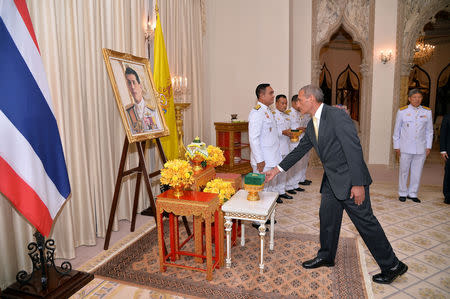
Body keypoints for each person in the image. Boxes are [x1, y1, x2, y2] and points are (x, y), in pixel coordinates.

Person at [264, 84, 407, 284]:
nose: (297, 103)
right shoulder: (312, 121)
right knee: (328, 218)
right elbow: (300, 150)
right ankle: (326, 256)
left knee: (365, 223)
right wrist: (276, 170)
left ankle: (392, 265)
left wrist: (358, 184)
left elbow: (354, 149)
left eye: (299, 99)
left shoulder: (336, 116)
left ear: (311, 99)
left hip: (350, 180)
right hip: (332, 180)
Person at [393, 89, 433, 203]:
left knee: (417, 171)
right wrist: (397, 146)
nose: (417, 99)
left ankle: (413, 193)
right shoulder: (402, 111)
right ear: (409, 98)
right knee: (404, 171)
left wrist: (428, 146)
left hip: (421, 147)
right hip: (405, 147)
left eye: (419, 97)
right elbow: (397, 131)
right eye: (414, 97)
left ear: (422, 99)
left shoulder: (427, 112)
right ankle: (402, 192)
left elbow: (429, 131)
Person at [248, 83, 283, 203]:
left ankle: (267, 215)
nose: (273, 95)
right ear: (262, 95)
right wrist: (259, 159)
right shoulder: (257, 112)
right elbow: (254, 138)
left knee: (270, 190)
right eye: (271, 93)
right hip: (263, 160)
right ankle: (258, 221)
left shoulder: (267, 111)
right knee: (260, 190)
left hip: (272, 157)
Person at [125, 67, 162, 134]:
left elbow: (159, 131)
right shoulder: (128, 111)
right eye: (129, 83)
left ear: (140, 86)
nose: (132, 87)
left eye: (134, 82)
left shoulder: (152, 110)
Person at [273, 94, 293, 200]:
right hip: (278, 148)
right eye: (282, 103)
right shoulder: (273, 115)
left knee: (284, 170)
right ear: (276, 103)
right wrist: (283, 132)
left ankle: (281, 191)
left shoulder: (286, 115)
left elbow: (288, 129)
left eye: (286, 103)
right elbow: (272, 132)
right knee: (276, 171)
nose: (284, 105)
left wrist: (291, 133)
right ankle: (275, 194)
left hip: (286, 146)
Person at [285, 95, 306, 194]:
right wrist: (299, 129)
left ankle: (295, 183)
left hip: (300, 140)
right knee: (293, 164)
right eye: (298, 102)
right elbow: (288, 129)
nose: (300, 105)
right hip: (292, 141)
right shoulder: (288, 113)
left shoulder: (299, 113)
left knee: (299, 164)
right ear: (293, 103)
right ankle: (289, 185)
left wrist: (301, 129)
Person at [440, 113, 450, 204]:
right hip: (449, 151)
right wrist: (443, 150)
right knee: (449, 173)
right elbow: (443, 134)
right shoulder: (447, 117)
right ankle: (448, 195)